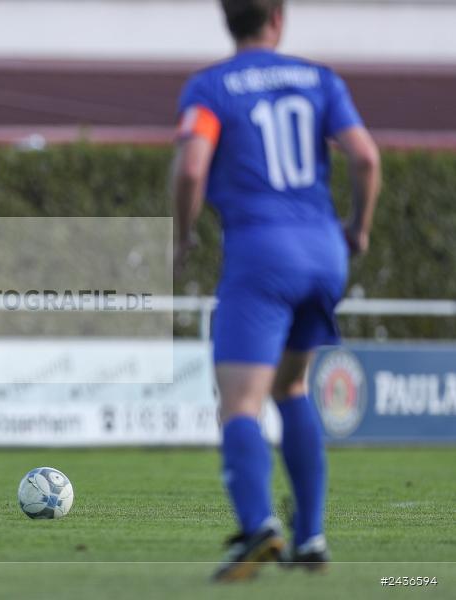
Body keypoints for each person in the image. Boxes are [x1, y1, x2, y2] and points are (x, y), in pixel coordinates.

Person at [172, 0, 381, 582]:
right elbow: (364, 156)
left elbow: (192, 169)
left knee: (240, 403)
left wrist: (183, 236)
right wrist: (359, 229)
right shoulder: (320, 79)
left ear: (227, 19)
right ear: (278, 20)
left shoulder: (211, 87)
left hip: (262, 253)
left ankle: (260, 526)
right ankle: (311, 537)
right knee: (292, 386)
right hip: (324, 252)